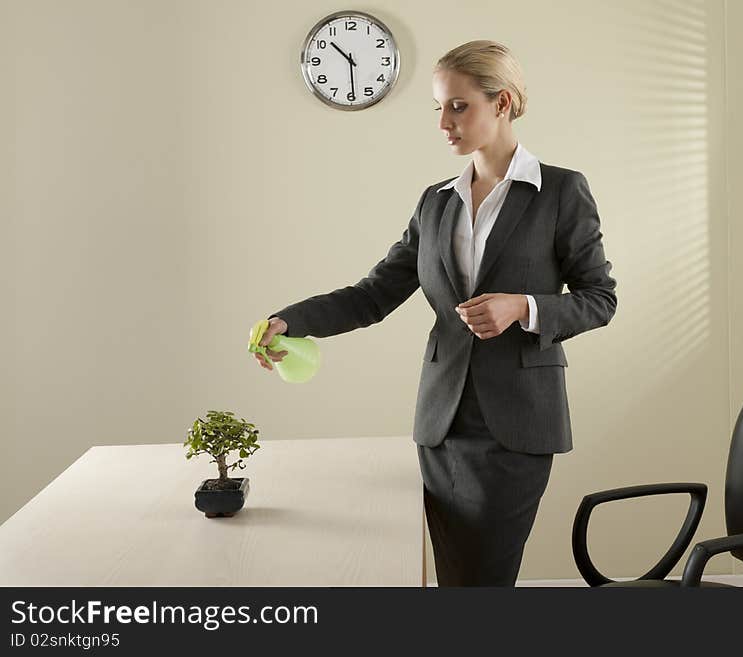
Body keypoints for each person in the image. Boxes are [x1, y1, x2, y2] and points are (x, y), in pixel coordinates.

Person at [253, 40, 617, 586]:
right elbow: (374, 294)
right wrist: (291, 321)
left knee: (483, 579)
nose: (444, 122)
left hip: (516, 426)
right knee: (453, 578)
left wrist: (524, 307)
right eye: (439, 108)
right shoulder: (436, 202)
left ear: (504, 103)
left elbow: (599, 297)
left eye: (459, 106)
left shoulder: (560, 192)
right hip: (441, 425)